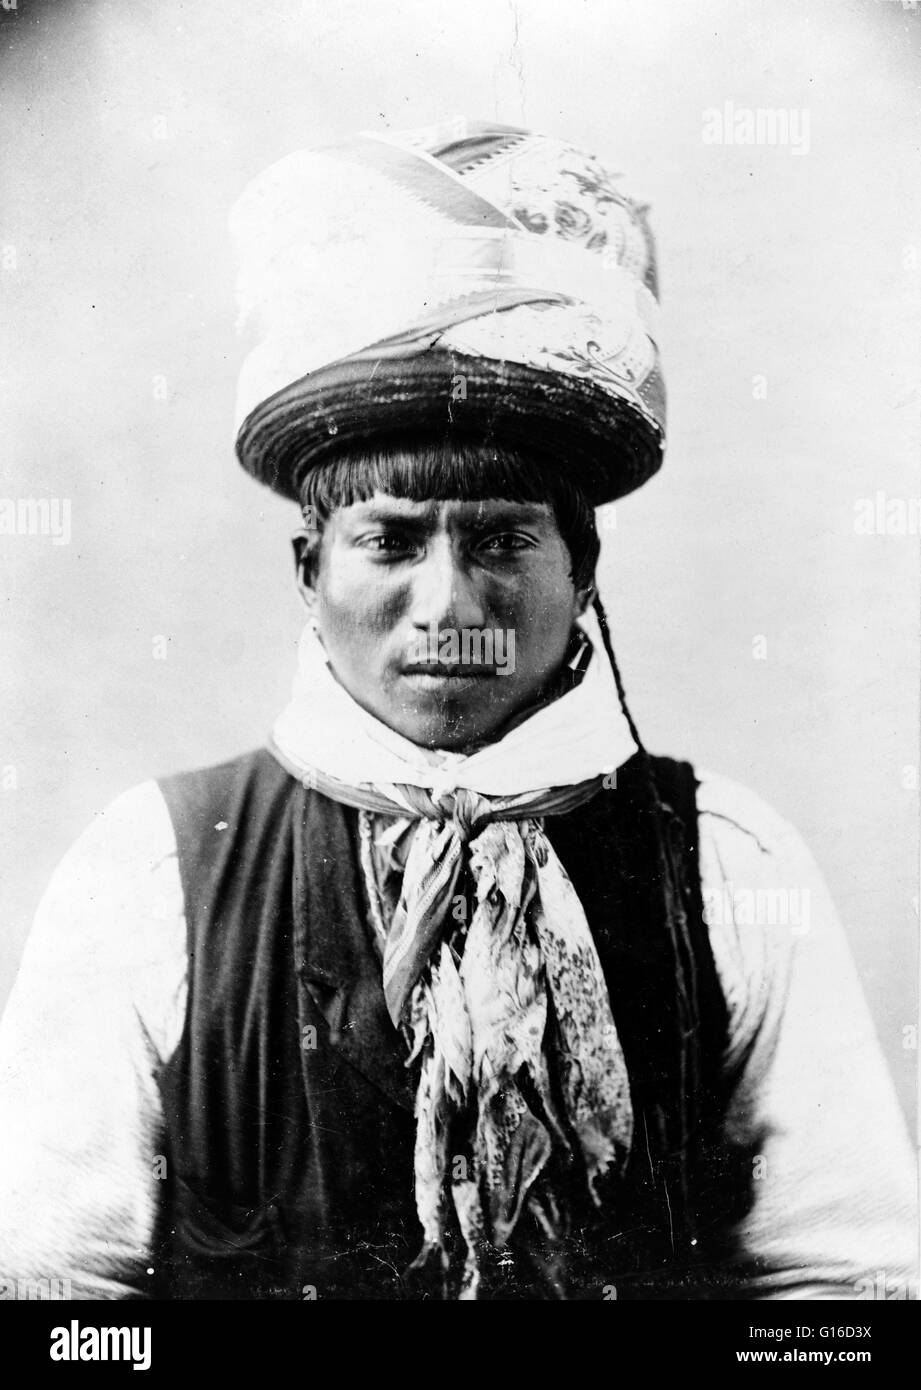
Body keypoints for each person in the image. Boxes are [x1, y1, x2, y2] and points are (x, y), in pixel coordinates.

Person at [0, 120, 914, 1301]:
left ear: (582, 571)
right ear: (307, 570)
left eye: (501, 538)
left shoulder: (731, 865)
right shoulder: (151, 870)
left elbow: (850, 1289)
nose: (448, 603)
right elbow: (49, 1298)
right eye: (389, 540)